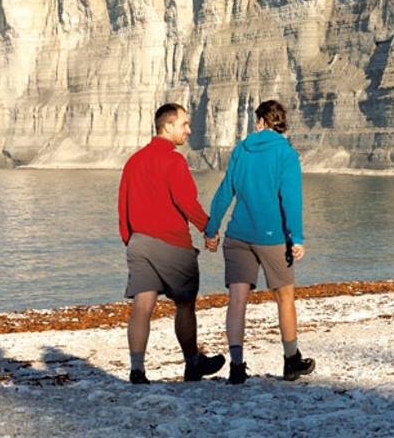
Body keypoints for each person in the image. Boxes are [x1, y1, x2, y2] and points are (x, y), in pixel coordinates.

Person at [204, 99, 315, 384]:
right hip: (273, 238)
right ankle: (291, 361)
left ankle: (237, 367)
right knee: (285, 297)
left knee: (237, 301)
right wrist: (297, 237)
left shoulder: (242, 149)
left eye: (257, 121)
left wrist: (211, 229)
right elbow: (290, 198)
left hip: (238, 236)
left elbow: (225, 191)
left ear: (261, 122)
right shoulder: (286, 154)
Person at [118, 103, 225, 384]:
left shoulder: (134, 161)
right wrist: (209, 229)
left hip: (139, 242)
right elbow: (186, 201)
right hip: (172, 243)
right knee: (185, 304)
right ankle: (192, 364)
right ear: (167, 127)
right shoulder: (173, 161)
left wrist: (130, 239)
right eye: (184, 124)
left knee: (142, 305)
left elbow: (123, 205)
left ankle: (137, 370)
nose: (189, 130)